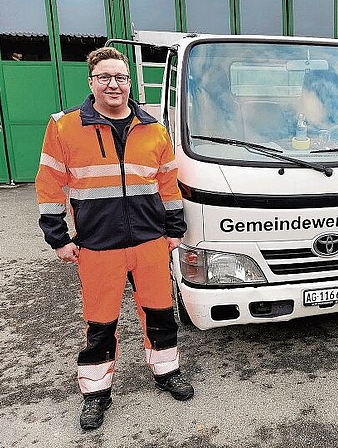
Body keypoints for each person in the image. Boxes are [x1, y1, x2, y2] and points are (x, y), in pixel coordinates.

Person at [35, 46, 194, 430]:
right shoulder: (64, 126)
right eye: (104, 77)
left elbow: (168, 183)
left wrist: (174, 231)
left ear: (129, 82)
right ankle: (95, 394)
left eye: (120, 77)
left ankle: (166, 372)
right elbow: (49, 186)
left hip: (150, 243)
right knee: (101, 322)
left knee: (160, 314)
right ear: (91, 82)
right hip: (97, 246)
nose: (113, 84)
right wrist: (58, 238)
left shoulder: (153, 127)